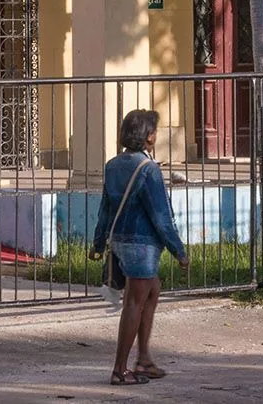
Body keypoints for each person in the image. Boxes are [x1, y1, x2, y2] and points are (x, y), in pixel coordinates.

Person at [90, 108, 188, 385]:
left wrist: (98, 242)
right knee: (134, 302)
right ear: (148, 137)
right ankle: (120, 370)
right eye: (154, 130)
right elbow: (161, 215)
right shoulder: (149, 169)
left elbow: (105, 208)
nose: (156, 134)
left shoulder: (113, 165)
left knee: (152, 289)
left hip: (119, 241)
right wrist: (178, 250)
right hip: (141, 245)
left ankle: (144, 359)